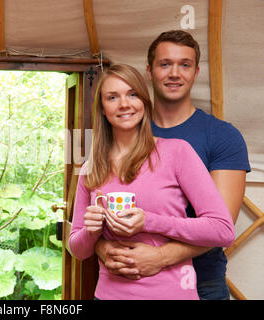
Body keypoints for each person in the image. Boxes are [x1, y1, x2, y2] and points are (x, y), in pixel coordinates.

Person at [94, 30, 250, 300]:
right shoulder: (124, 124)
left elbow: (222, 225)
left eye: (185, 65)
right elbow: (93, 210)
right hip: (125, 282)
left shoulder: (222, 136)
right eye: (165, 64)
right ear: (149, 71)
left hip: (203, 281)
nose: (175, 73)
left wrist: (160, 257)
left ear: (196, 72)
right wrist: (103, 248)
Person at [68, 63, 235, 300]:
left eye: (132, 94)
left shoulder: (177, 153)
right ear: (103, 109)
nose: (124, 104)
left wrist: (149, 221)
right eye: (112, 97)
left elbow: (223, 230)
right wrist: (91, 231)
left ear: (144, 103)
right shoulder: (91, 168)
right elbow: (78, 249)